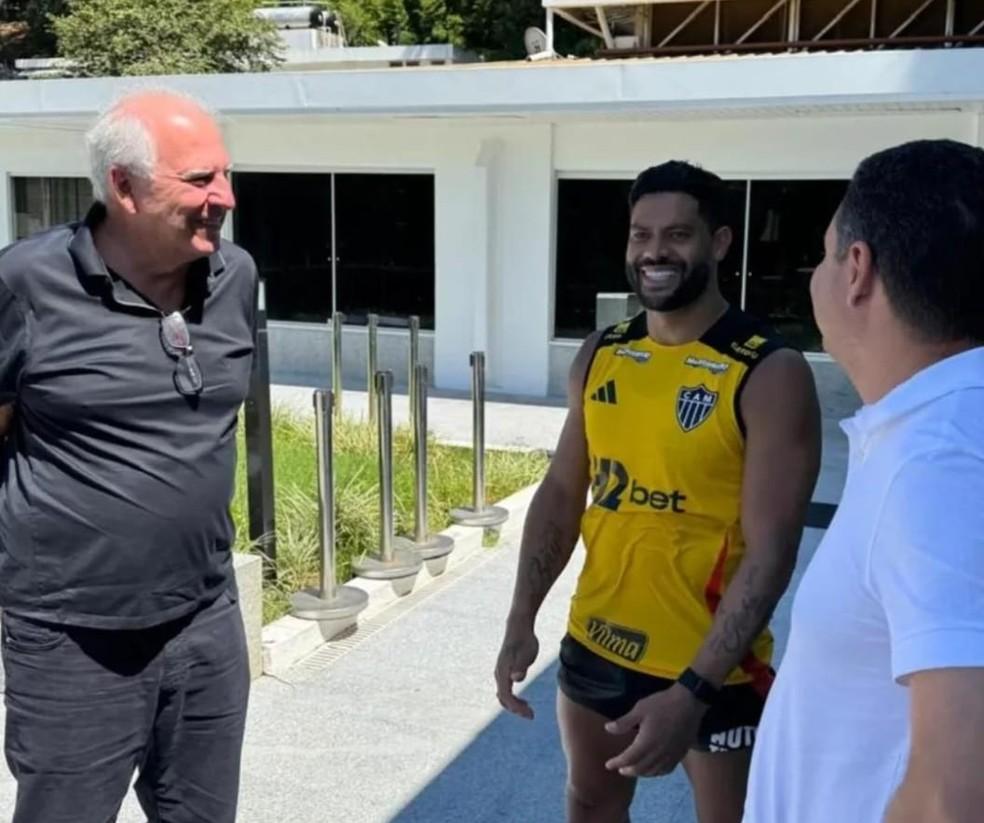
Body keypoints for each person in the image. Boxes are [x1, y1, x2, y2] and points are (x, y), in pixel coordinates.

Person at [494, 161, 821, 823]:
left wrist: (694, 690)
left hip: (714, 671)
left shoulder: (768, 370)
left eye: (677, 234)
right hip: (595, 646)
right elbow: (562, 493)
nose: (654, 252)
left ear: (720, 242)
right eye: (641, 234)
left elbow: (772, 553)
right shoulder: (600, 353)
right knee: (590, 803)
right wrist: (520, 618)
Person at [0, 89, 256, 822]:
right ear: (124, 187)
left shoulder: (235, 276)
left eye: (225, 175)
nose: (225, 197)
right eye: (201, 179)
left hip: (207, 621)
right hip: (73, 640)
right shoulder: (24, 283)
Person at [744, 139, 984, 823]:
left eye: (823, 252)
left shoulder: (941, 458)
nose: (813, 275)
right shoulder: (935, 432)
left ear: (857, 270)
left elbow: (955, 798)